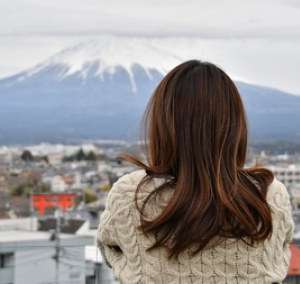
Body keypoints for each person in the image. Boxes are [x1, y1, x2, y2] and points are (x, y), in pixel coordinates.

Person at [97, 60, 294, 284]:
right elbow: (279, 255)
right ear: (235, 124)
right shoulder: (269, 195)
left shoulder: (132, 193)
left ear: (163, 123)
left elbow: (110, 250)